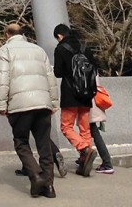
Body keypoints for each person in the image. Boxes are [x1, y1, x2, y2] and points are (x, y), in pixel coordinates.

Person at [0, 22, 60, 199]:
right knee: (44, 144)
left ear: (7, 34)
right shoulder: (38, 50)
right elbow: (50, 77)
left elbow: (2, 79)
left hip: (19, 105)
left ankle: (36, 176)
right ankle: (49, 186)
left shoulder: (5, 51)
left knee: (21, 141)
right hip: (43, 103)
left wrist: (1, 105)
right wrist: (54, 102)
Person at [52, 24, 98, 177]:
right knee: (85, 128)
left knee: (66, 127)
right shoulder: (84, 46)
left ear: (59, 36)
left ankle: (84, 149)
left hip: (70, 94)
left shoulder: (60, 48)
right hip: (86, 93)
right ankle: (84, 159)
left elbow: (58, 73)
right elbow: (95, 68)